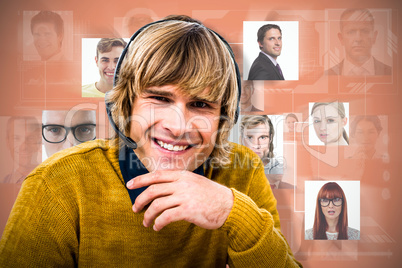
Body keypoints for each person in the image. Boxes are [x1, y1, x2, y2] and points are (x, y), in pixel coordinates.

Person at [0, 17, 301, 267]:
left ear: (225, 117)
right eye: (159, 98)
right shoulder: (56, 182)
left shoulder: (243, 170)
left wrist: (234, 213)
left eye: (200, 105)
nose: (177, 126)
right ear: (126, 103)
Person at [328, 8, 392, 76]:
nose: (358, 39)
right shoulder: (325, 78)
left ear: (374, 37)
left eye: (365, 31)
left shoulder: (394, 75)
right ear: (341, 38)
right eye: (351, 32)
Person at [240, 115, 291, 190]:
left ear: (270, 139)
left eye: (262, 137)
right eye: (250, 137)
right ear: (242, 139)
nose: (256, 145)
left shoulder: (284, 173)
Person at [2, 116, 41, 184]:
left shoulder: (50, 180)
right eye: (16, 138)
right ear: (8, 142)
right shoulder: (4, 182)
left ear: (39, 142)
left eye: (30, 138)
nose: (23, 147)